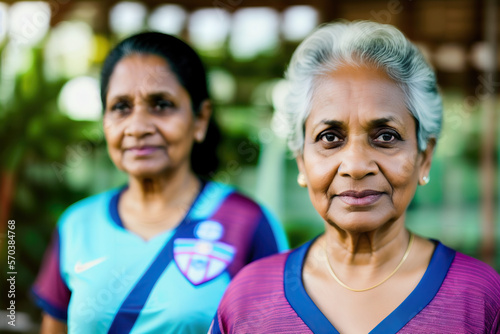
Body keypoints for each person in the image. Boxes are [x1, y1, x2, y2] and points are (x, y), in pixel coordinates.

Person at [210, 21, 500, 334]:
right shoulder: (249, 298)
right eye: (330, 137)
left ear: (424, 156)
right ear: (302, 162)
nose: (356, 165)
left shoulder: (478, 297)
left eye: (386, 136)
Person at [32, 32, 288, 334]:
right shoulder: (77, 225)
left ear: (200, 119)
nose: (138, 127)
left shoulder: (247, 223)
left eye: (161, 104)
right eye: (121, 107)